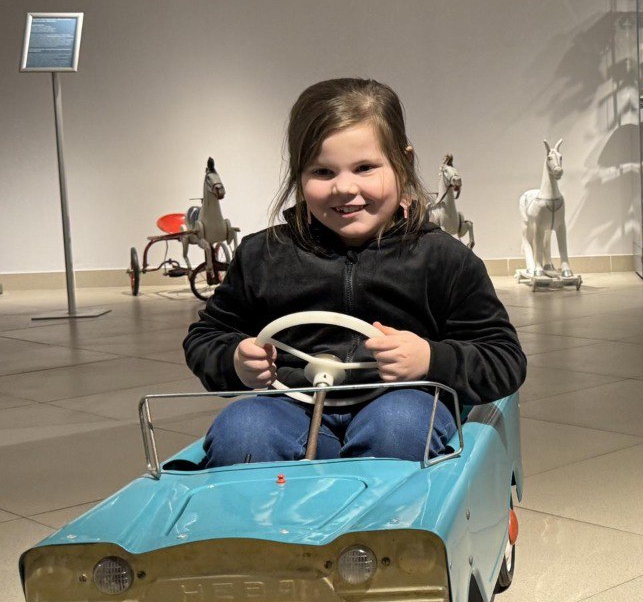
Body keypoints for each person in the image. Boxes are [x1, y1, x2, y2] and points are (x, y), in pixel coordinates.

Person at [184, 78, 526, 466]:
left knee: (399, 425)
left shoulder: (443, 259)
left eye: (365, 168)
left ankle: (383, 506)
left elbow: (504, 359)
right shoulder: (263, 255)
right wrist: (235, 360)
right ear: (299, 174)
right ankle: (264, 507)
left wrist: (430, 359)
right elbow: (206, 337)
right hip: (291, 406)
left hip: (403, 403)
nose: (344, 188)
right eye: (323, 171)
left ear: (403, 163)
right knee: (242, 430)